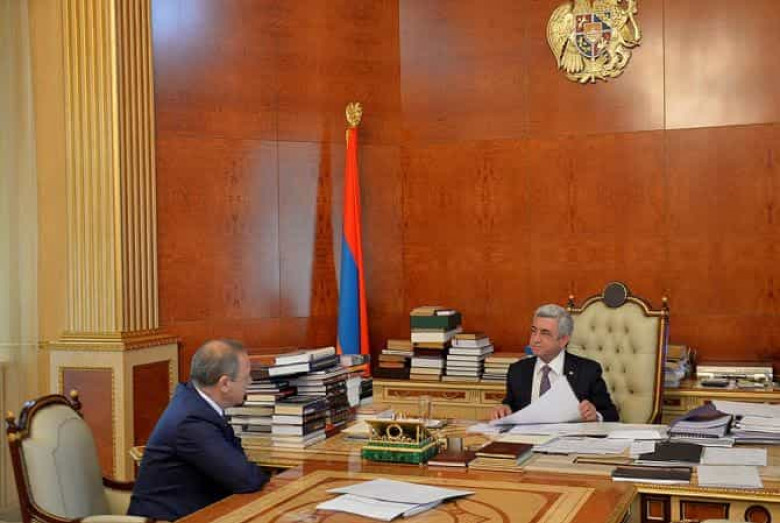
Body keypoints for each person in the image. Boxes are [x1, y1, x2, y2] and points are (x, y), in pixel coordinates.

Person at [128, 339, 269, 521]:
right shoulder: (191, 422)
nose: (250, 382)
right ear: (224, 384)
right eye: (246, 377)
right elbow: (245, 479)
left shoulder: (195, 401)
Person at [492, 304, 619, 422]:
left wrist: (595, 415)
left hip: (569, 437)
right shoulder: (518, 370)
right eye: (534, 331)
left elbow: (611, 414)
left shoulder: (588, 371)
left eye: (545, 333)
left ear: (563, 340)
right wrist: (504, 409)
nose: (535, 339)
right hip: (526, 437)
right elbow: (510, 406)